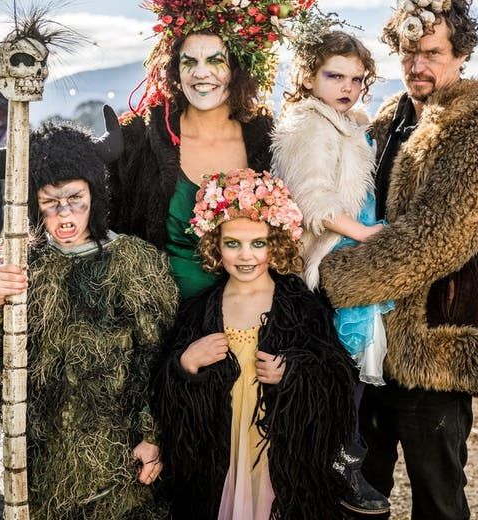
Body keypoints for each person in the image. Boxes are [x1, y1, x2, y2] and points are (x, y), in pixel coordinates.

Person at [318, 0, 478, 519]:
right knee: (357, 498)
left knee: (438, 501)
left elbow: (437, 240)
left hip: (434, 345)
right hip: (370, 345)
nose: (417, 66)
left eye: (432, 52)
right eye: (409, 52)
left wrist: (333, 281)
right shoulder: (389, 121)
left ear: (460, 54)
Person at [0, 118, 178, 519]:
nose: (64, 214)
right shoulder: (19, 269)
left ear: (95, 192)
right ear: (32, 204)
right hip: (40, 465)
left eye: (75, 197)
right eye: (49, 201)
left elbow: (157, 356)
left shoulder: (134, 264)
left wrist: (151, 436)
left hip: (119, 465)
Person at [110, 0, 349, 300]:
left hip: (252, 326)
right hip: (163, 334)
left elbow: (298, 231)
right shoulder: (139, 139)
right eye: (189, 62)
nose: (201, 74)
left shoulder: (268, 141)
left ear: (237, 68)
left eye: (215, 61)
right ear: (174, 68)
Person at [153, 168, 359, 520]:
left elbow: (336, 375)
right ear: (215, 245)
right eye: (232, 244)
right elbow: (164, 390)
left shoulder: (298, 306)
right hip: (224, 452)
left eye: (257, 243)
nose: (245, 256)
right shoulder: (200, 310)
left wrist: (292, 374)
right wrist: (186, 364)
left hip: (277, 451)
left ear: (274, 243)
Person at [271, 28, 391, 515]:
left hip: (349, 261)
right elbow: (314, 201)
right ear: (309, 76)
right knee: (340, 377)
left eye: (357, 79)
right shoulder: (309, 125)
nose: (347, 87)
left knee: (353, 372)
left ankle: (346, 464)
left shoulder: (346, 122)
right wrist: (368, 235)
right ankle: (339, 466)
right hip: (326, 264)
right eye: (334, 75)